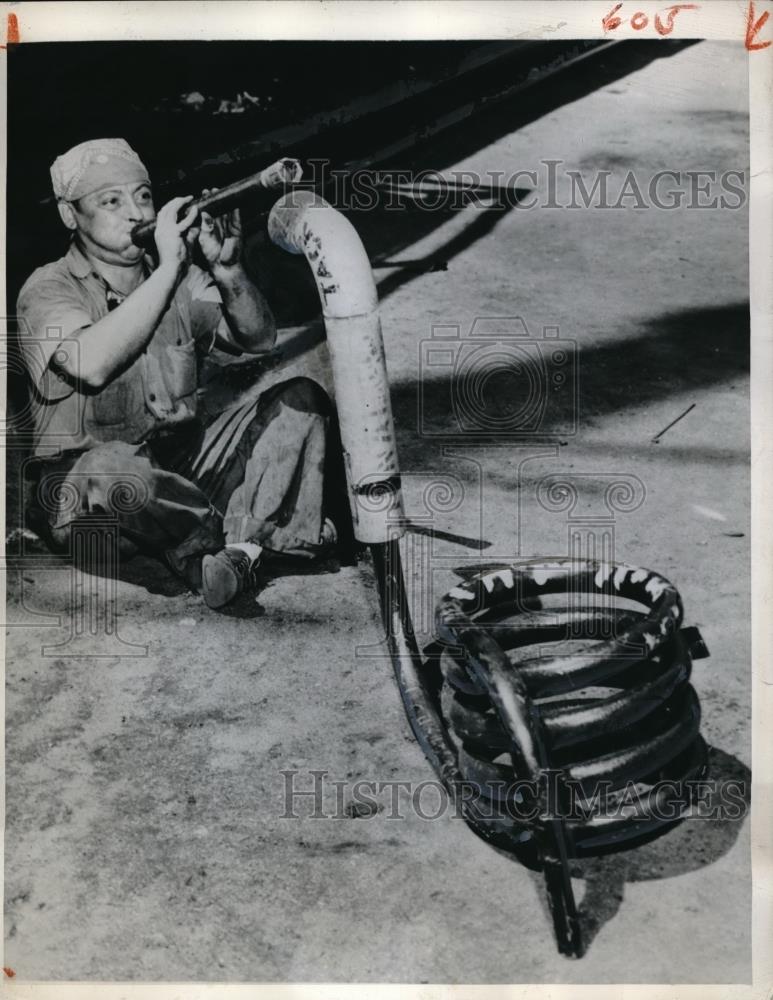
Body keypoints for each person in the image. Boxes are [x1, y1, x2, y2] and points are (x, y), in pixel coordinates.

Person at [17, 138, 340, 609]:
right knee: (113, 470)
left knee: (301, 400)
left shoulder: (178, 276)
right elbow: (92, 362)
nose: (134, 212)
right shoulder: (47, 287)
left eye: (142, 195)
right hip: (88, 497)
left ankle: (238, 553)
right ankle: (239, 537)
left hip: (180, 467)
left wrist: (228, 270)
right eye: (111, 201)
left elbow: (258, 338)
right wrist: (169, 268)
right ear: (71, 216)